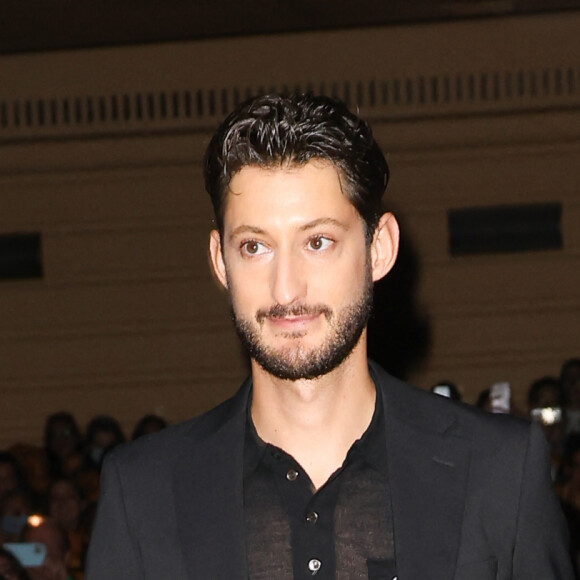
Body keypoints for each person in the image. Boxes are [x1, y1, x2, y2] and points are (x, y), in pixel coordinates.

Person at [86, 93, 573, 579]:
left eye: (317, 242)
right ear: (220, 262)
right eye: (254, 247)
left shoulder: (499, 470)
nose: (285, 288)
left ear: (378, 248)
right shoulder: (143, 492)